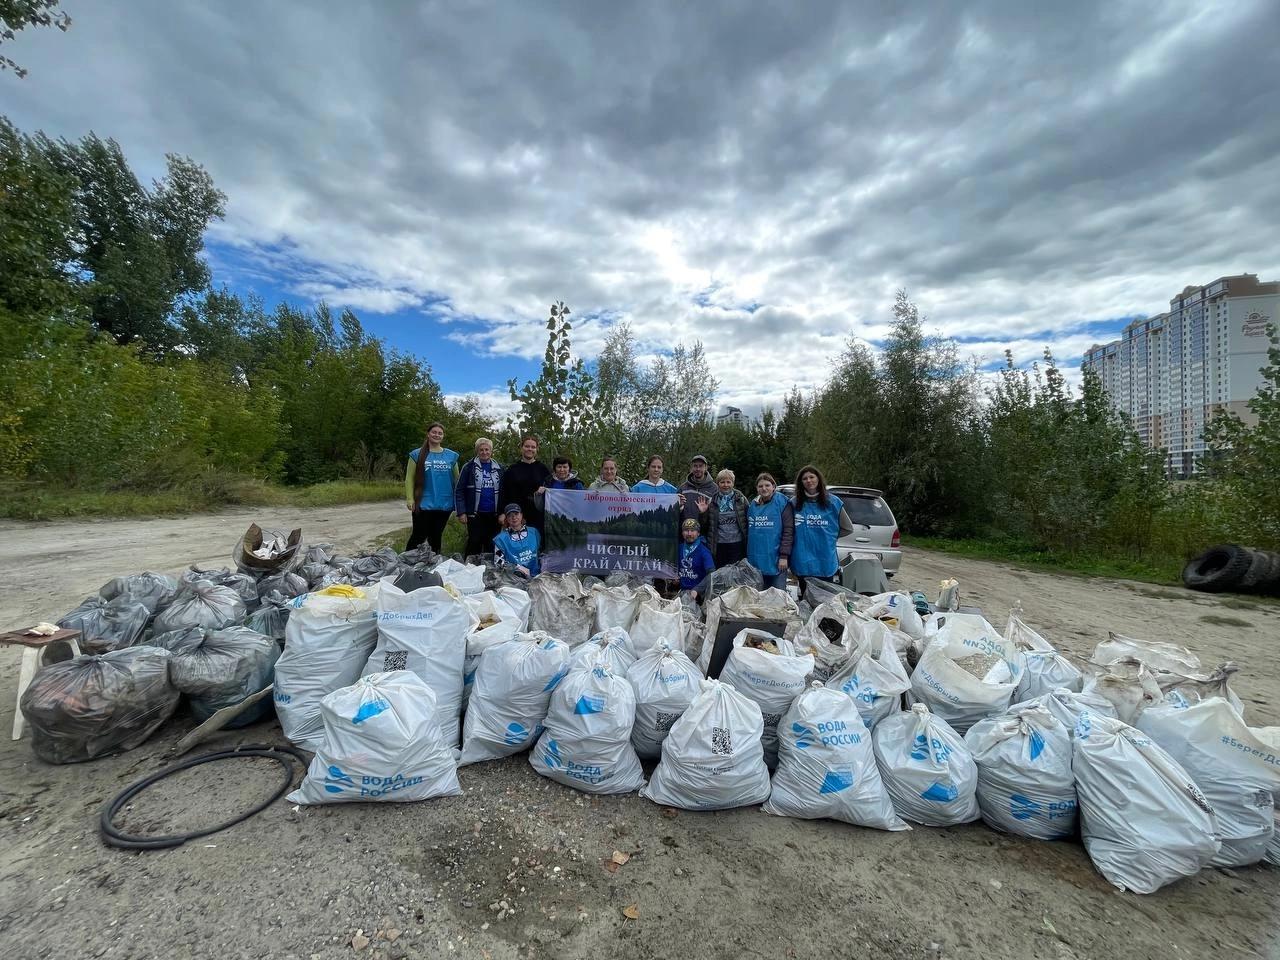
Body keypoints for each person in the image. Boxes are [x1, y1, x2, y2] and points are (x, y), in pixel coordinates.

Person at [788, 464, 855, 593]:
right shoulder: (794, 503)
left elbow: (848, 528)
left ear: (818, 479)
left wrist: (830, 536)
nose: (808, 481)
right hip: (803, 560)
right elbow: (787, 530)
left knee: (824, 598)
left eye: (811, 477)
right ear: (801, 483)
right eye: (804, 478)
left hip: (825, 560)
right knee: (806, 597)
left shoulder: (834, 502)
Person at [404, 421, 459, 553]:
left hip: (444, 504)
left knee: (436, 537)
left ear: (443, 436)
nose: (437, 435)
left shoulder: (451, 456)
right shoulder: (416, 454)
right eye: (434, 432)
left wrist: (460, 503)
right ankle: (406, 562)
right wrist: (410, 498)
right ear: (428, 434)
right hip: (423, 503)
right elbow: (409, 478)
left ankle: (433, 564)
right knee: (418, 536)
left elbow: (457, 481)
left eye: (440, 433)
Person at [455, 437, 504, 559]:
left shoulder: (500, 468)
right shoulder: (468, 467)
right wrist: (461, 512)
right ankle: (469, 569)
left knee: (491, 544)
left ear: (491, 451)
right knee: (474, 542)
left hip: (494, 514)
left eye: (487, 449)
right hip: (475, 514)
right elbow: (459, 490)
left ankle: (489, 571)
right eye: (481, 450)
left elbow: (504, 492)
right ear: (477, 451)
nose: (484, 452)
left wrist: (503, 512)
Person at [746, 472, 794, 589]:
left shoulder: (782, 502)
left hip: (777, 560)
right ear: (757, 489)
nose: (764, 488)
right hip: (756, 559)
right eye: (760, 486)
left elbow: (788, 530)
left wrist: (784, 556)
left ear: (773, 486)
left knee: (776, 598)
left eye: (767, 485)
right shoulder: (753, 505)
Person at [696, 468, 748, 568]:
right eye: (722, 482)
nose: (726, 485)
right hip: (719, 545)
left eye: (729, 482)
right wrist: (702, 513)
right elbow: (705, 527)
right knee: (721, 574)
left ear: (733, 483)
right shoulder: (712, 501)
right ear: (718, 483)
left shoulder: (741, 499)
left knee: (736, 575)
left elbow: (748, 520)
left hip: (738, 545)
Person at [500, 434, 552, 533]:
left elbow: (551, 492)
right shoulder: (512, 470)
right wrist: (502, 513)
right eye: (527, 446)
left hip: (538, 515)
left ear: (537, 449)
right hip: (516, 515)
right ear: (521, 448)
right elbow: (504, 493)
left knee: (537, 543)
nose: (530, 449)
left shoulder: (543, 469)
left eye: (533, 447)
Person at [493, 504, 541, 577]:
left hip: (537, 575)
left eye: (516, 514)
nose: (514, 517)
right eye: (510, 515)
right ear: (507, 519)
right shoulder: (501, 539)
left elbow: (540, 553)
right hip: (514, 578)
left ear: (521, 515)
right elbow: (498, 563)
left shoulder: (534, 532)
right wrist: (517, 567)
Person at [677, 518, 714, 601]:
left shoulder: (704, 551)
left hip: (698, 595)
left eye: (693, 530)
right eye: (686, 530)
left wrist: (697, 590)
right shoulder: (679, 548)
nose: (689, 534)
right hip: (681, 591)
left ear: (698, 533)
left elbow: (712, 575)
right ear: (682, 533)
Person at [679, 454, 717, 531]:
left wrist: (704, 512)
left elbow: (716, 514)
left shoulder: (714, 488)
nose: (698, 469)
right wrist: (679, 508)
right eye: (695, 466)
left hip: (705, 533)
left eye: (701, 466)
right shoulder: (682, 488)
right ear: (691, 468)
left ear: (706, 468)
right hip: (685, 533)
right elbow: (675, 511)